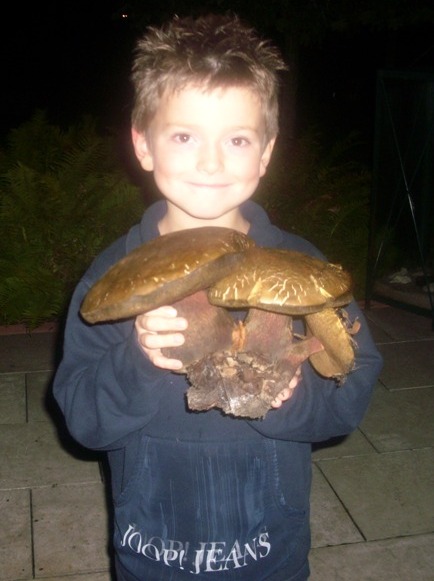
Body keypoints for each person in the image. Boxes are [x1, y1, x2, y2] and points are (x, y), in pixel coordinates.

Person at [53, 13, 383, 581]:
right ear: (143, 144)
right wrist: (136, 361)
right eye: (184, 136)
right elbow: (83, 419)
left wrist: (291, 397)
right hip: (151, 549)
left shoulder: (300, 267)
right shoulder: (112, 276)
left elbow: (351, 388)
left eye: (237, 139)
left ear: (266, 152)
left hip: (269, 550)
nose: (211, 162)